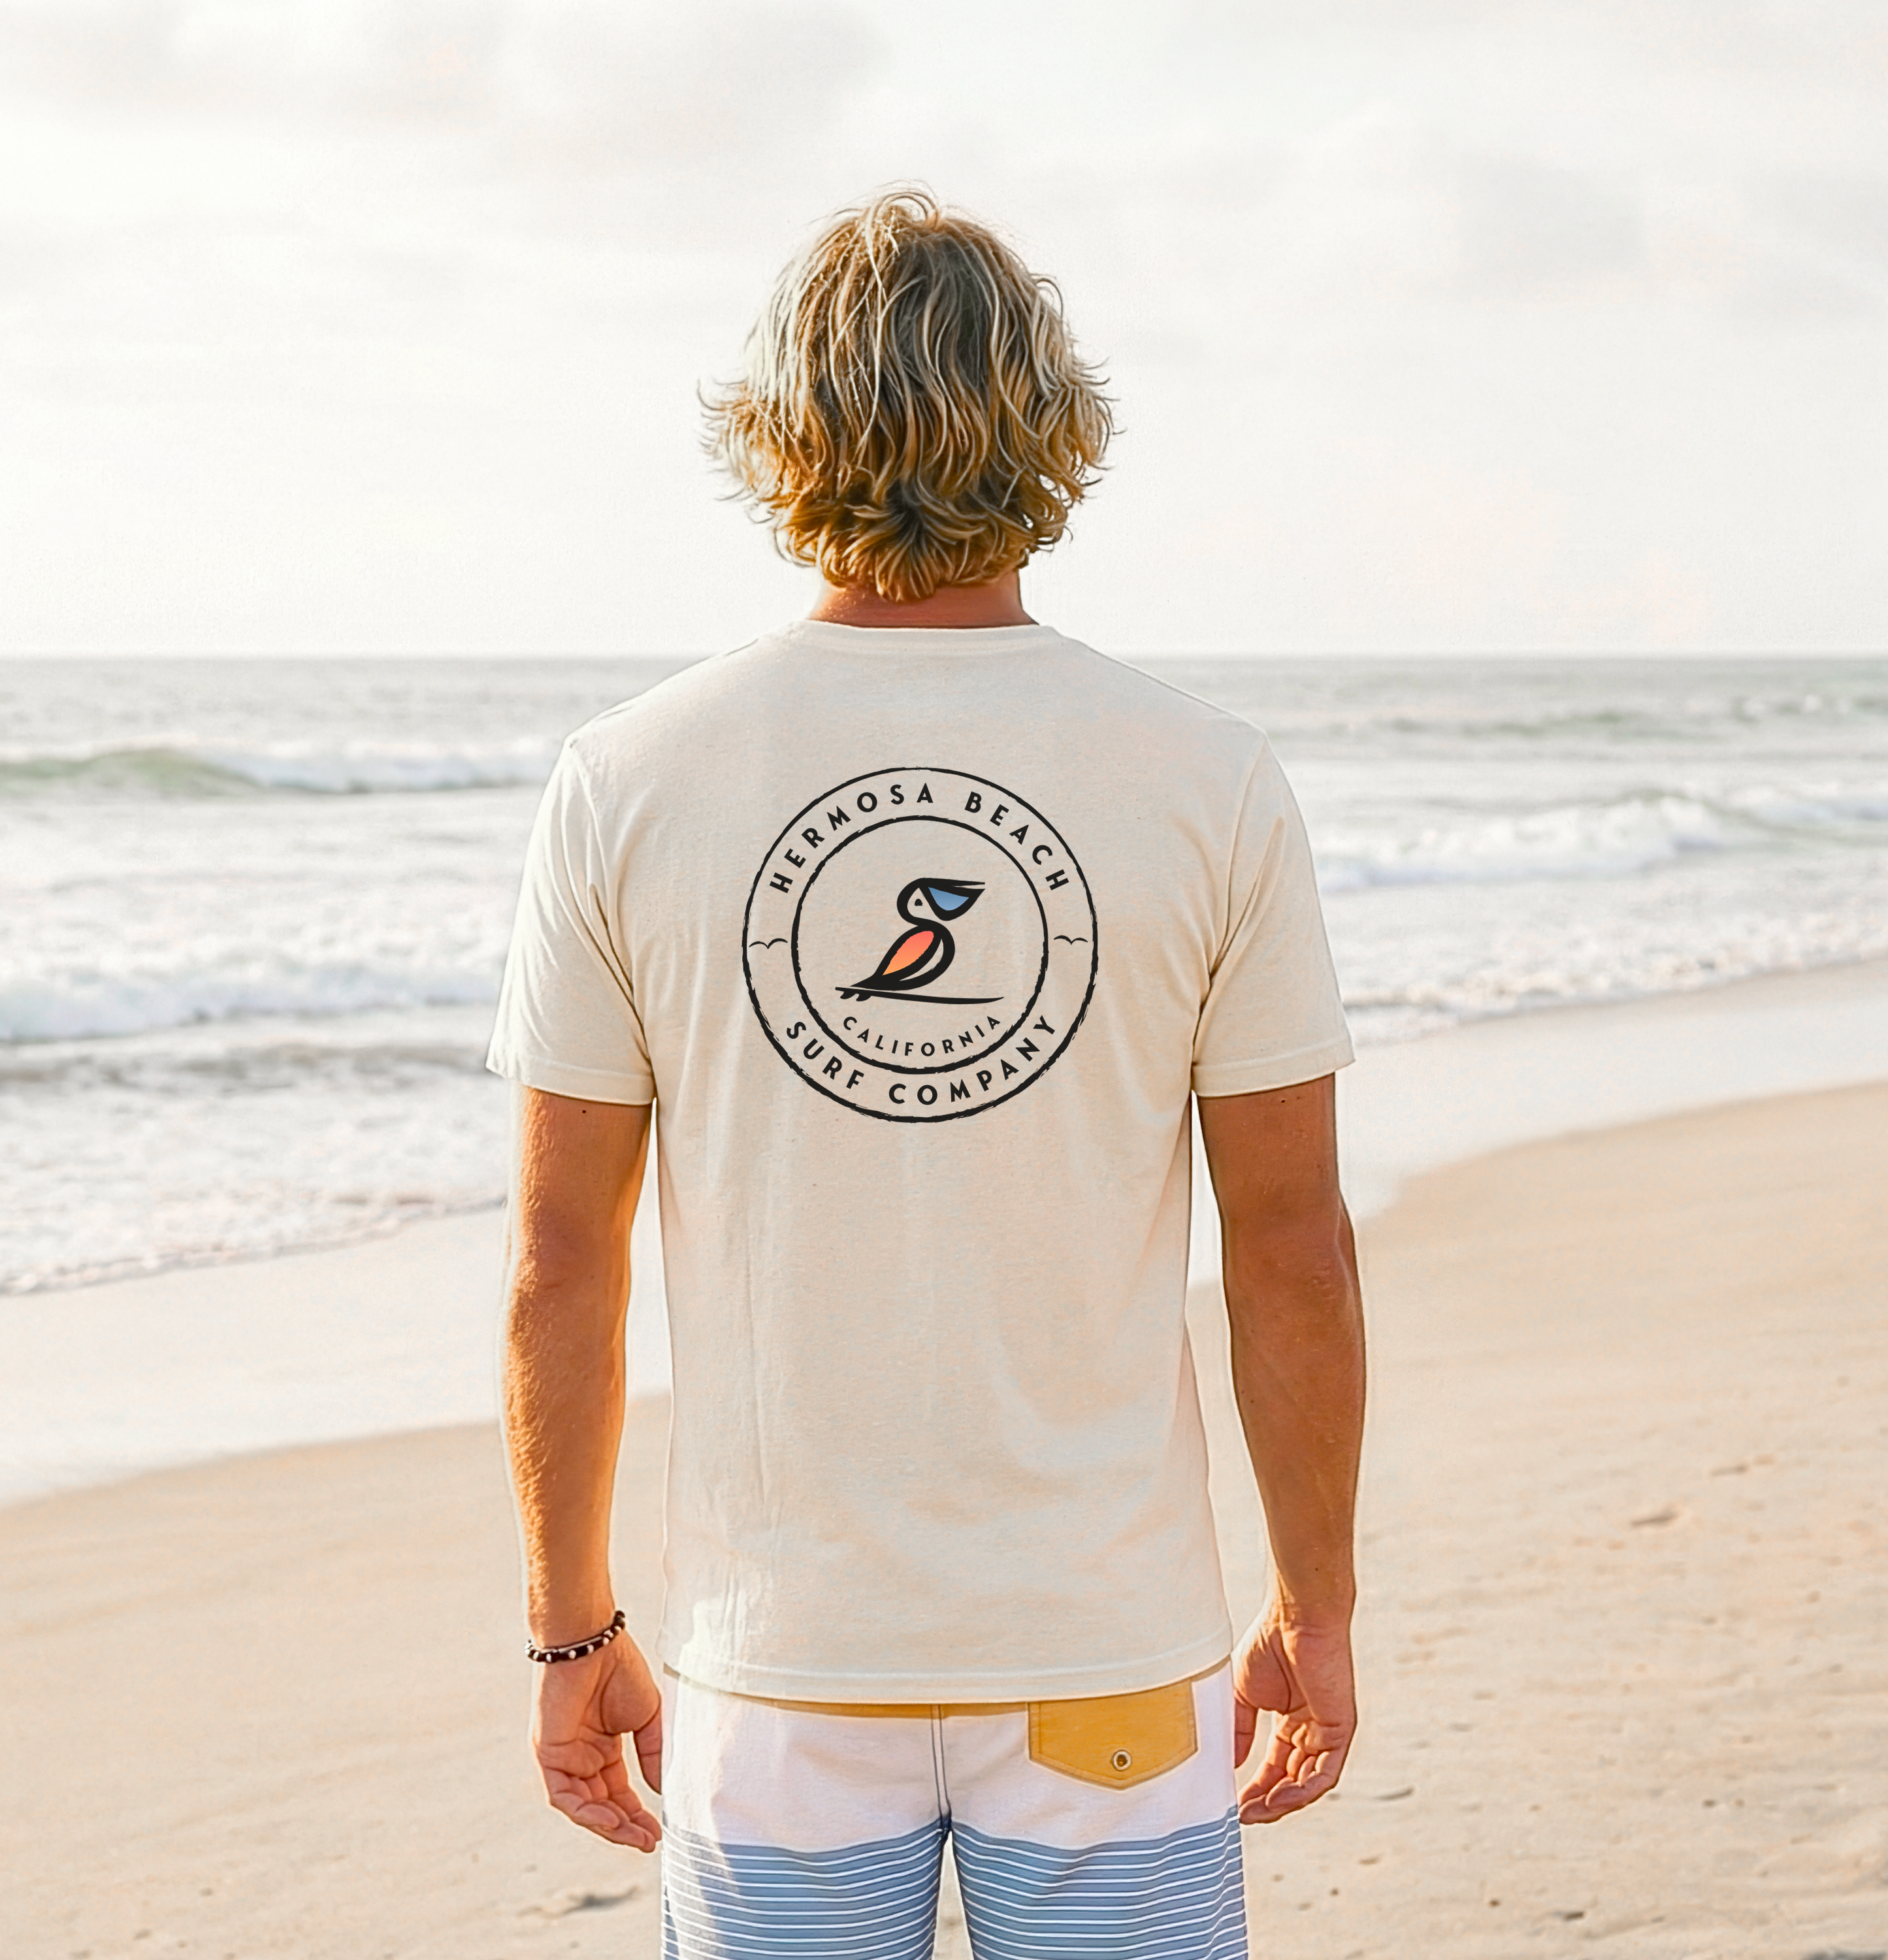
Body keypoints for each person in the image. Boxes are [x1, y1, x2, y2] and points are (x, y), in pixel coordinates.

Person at [487, 187, 1365, 1959]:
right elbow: (1290, 1247)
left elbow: (557, 1266)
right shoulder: (1205, 776)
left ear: (782, 432)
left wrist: (574, 1632)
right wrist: (1314, 1604)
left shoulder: (632, 777)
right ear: (1052, 428)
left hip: (787, 1671)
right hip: (1110, 1659)